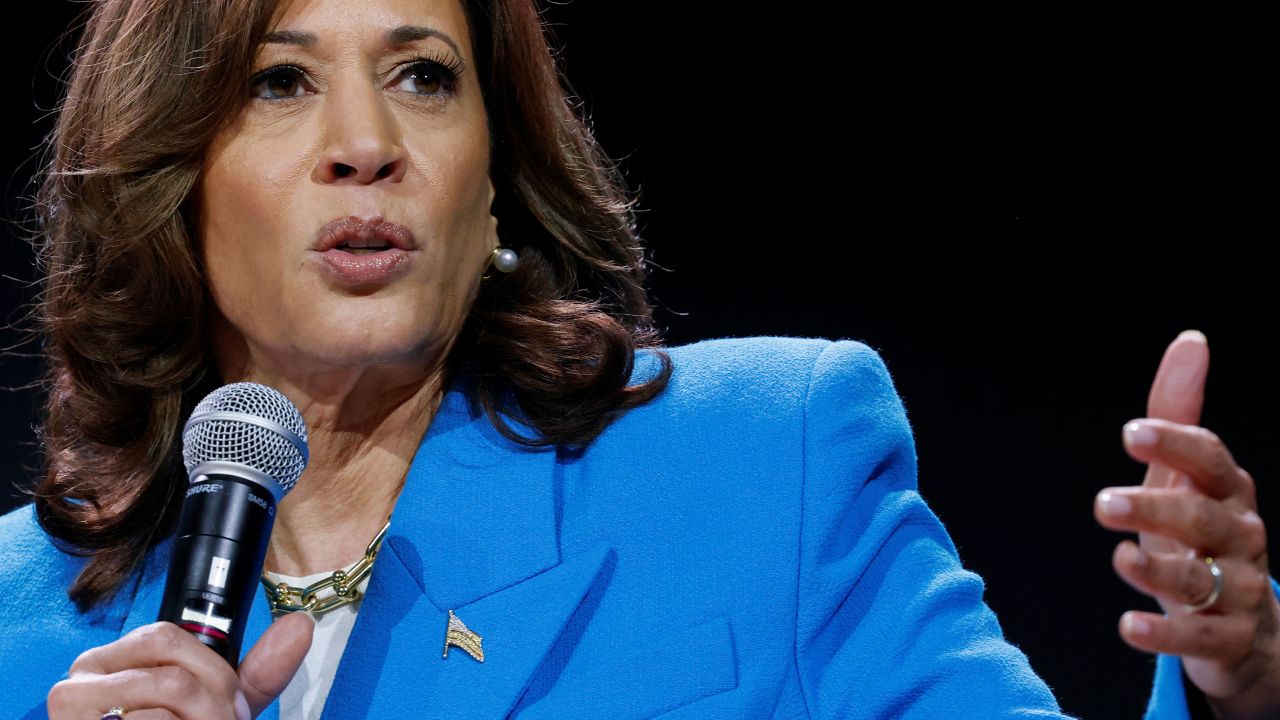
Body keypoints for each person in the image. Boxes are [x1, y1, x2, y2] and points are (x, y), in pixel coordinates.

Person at [0, 0, 1274, 718]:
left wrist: (1232, 697)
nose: (364, 144)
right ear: (173, 178)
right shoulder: (16, 617)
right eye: (279, 83)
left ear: (491, 187)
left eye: (424, 76)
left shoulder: (759, 462)